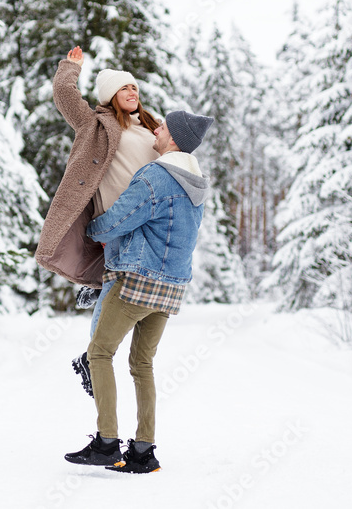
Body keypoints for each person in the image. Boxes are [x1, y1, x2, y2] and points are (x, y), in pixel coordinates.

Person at [63, 109, 214, 474]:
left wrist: (91, 231)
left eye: (162, 127)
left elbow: (121, 217)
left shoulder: (157, 175)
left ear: (174, 139)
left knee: (99, 352)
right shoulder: (196, 181)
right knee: (142, 364)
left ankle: (106, 442)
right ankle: (144, 451)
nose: (155, 130)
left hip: (140, 279)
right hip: (172, 286)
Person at [33, 46, 161, 396]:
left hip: (148, 222)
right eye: (124, 88)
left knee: (129, 289)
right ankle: (94, 357)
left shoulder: (154, 128)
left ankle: (97, 307)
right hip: (115, 222)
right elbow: (64, 94)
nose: (132, 93)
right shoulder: (95, 125)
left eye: (134, 87)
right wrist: (70, 68)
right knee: (116, 283)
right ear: (110, 96)